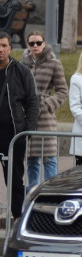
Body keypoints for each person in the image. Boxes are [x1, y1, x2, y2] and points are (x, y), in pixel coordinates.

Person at [0, 30, 39, 221]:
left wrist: (26, 132)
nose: (0, 50)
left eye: (4, 46)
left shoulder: (21, 71)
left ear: (10, 48)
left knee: (14, 181)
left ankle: (19, 219)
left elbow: (33, 102)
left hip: (13, 136)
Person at [22, 32, 67, 188]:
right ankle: (32, 193)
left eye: (38, 42)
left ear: (44, 43)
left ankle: (50, 191)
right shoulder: (23, 64)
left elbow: (62, 91)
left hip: (45, 117)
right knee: (31, 159)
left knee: (49, 158)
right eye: (32, 43)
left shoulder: (54, 63)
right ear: (27, 45)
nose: (35, 46)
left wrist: (48, 104)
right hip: (27, 114)